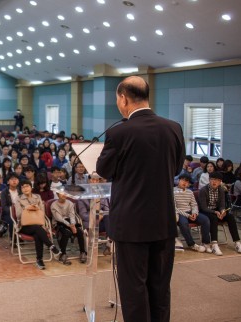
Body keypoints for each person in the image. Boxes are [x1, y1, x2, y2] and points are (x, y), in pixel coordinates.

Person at [96, 76, 185, 322]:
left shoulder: (119, 132)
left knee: (134, 291)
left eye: (117, 98)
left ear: (123, 98)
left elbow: (104, 170)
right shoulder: (173, 127)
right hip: (163, 222)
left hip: (131, 225)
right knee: (160, 288)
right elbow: (176, 168)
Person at [14, 179, 61, 270]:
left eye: (27, 186)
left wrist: (35, 208)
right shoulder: (18, 199)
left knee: (37, 234)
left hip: (37, 223)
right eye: (23, 187)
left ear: (31, 187)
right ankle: (51, 246)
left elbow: (42, 212)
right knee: (37, 229)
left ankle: (39, 260)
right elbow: (18, 215)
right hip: (24, 225)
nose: (25, 188)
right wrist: (27, 208)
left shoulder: (37, 197)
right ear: (21, 189)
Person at [198, 172, 241, 255]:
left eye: (217, 180)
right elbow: (203, 207)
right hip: (205, 211)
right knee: (214, 218)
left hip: (216, 211)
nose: (214, 182)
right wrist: (215, 212)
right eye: (213, 179)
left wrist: (222, 211)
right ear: (209, 180)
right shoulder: (203, 190)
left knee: (230, 217)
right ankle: (214, 244)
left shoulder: (221, 190)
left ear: (220, 182)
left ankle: (237, 242)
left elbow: (222, 205)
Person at [174, 174, 210, 253]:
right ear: (178, 180)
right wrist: (188, 215)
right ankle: (191, 244)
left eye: (187, 182)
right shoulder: (173, 191)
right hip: (180, 213)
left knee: (205, 219)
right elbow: (174, 208)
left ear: (189, 184)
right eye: (183, 180)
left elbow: (194, 204)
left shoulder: (190, 192)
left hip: (190, 212)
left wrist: (194, 213)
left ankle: (206, 243)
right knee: (183, 223)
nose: (184, 183)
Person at [51, 190, 87, 264]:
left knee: (80, 231)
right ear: (57, 194)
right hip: (59, 223)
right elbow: (59, 218)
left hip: (70, 222)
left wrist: (73, 224)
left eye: (65, 193)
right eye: (62, 193)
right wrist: (70, 226)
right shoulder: (53, 205)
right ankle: (63, 254)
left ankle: (82, 252)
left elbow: (72, 215)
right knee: (66, 233)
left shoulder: (70, 203)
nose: (64, 194)